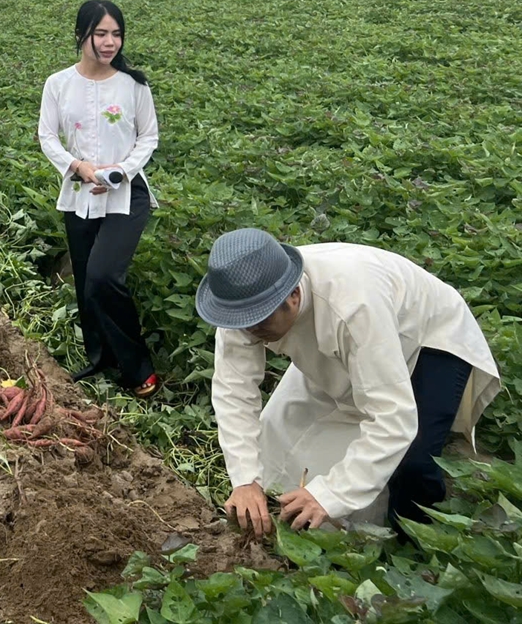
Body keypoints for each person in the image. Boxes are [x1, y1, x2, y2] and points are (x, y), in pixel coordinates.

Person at [197, 228, 500, 534]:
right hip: (351, 343)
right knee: (278, 430)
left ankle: (413, 544)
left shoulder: (353, 307)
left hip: (428, 339)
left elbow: (392, 418)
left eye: (260, 323)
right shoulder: (240, 304)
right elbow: (234, 392)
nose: (250, 332)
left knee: (413, 463)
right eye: (243, 324)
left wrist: (330, 496)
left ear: (294, 294)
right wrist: (246, 480)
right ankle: (289, 515)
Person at [37, 0, 161, 398]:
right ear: (81, 36)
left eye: (116, 34)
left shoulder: (134, 85)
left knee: (105, 275)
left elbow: (149, 137)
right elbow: (47, 136)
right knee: (87, 281)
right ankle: (99, 358)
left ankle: (139, 368)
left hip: (127, 193)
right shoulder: (58, 84)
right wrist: (77, 166)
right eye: (101, 34)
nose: (110, 43)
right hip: (79, 192)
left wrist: (118, 172)